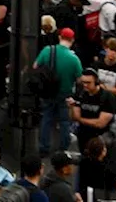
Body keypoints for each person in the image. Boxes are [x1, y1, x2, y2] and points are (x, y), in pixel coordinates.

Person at [34, 28, 82, 158]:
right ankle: (63, 149)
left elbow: (35, 66)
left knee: (47, 118)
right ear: (72, 40)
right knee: (64, 121)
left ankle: (44, 147)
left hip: (48, 91)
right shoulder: (74, 59)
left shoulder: (47, 50)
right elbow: (79, 79)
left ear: (60, 37)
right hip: (65, 93)